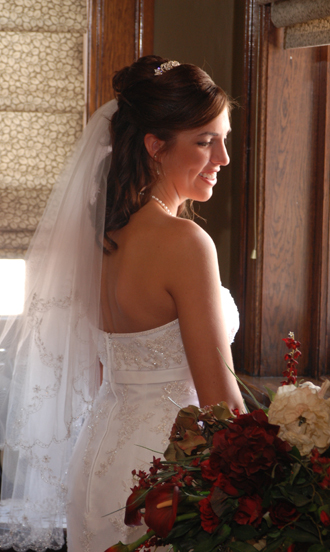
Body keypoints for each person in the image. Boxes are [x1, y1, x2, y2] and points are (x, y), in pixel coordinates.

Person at [0, 55, 244, 552]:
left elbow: (95, 369)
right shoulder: (186, 243)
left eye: (224, 139)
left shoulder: (98, 238)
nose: (222, 157)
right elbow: (220, 402)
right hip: (168, 474)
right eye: (204, 141)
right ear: (156, 146)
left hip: (97, 461)